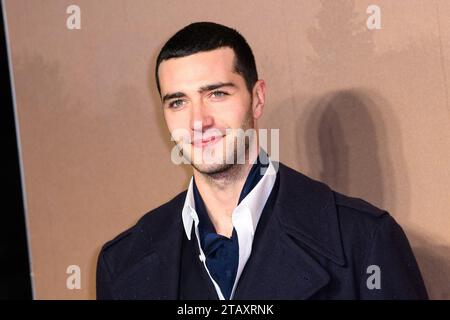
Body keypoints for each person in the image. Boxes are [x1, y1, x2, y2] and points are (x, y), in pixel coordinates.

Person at [96, 21, 428, 300]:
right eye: (178, 102)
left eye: (217, 94)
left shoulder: (364, 241)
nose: (198, 121)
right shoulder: (123, 262)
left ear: (257, 99)